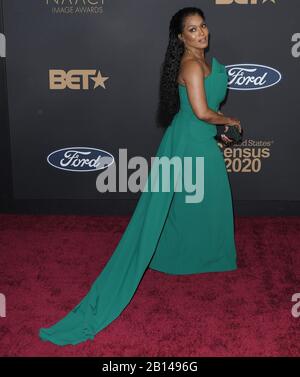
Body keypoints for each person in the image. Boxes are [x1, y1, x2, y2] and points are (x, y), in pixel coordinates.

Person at [39, 6, 241, 346]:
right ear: (181, 37)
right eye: (192, 29)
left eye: (203, 26)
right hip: (187, 144)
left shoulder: (207, 62)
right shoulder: (191, 65)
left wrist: (219, 130)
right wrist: (231, 122)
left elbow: (207, 109)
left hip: (200, 140)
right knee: (174, 206)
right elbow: (204, 112)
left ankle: (194, 256)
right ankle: (170, 257)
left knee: (198, 203)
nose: (201, 33)